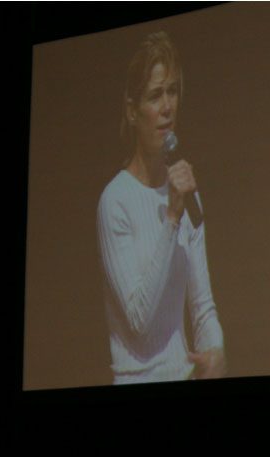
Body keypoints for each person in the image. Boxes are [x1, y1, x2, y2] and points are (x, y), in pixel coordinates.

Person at [97, 31, 225, 384]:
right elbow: (140, 321)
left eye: (172, 91)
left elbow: (202, 307)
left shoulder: (185, 193)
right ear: (132, 111)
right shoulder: (115, 201)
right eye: (155, 95)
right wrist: (171, 219)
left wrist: (215, 351)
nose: (167, 107)